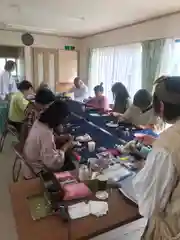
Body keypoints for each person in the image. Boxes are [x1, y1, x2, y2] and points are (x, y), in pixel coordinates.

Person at [133, 76, 180, 239]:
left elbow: (149, 205)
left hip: (172, 228)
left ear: (160, 105)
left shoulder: (167, 144)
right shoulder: (167, 143)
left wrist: (146, 169)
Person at [23, 100, 73, 179]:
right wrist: (66, 146)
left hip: (29, 162)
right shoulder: (46, 133)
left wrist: (58, 138)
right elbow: (53, 163)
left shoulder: (38, 122)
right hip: (37, 170)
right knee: (71, 164)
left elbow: (42, 140)